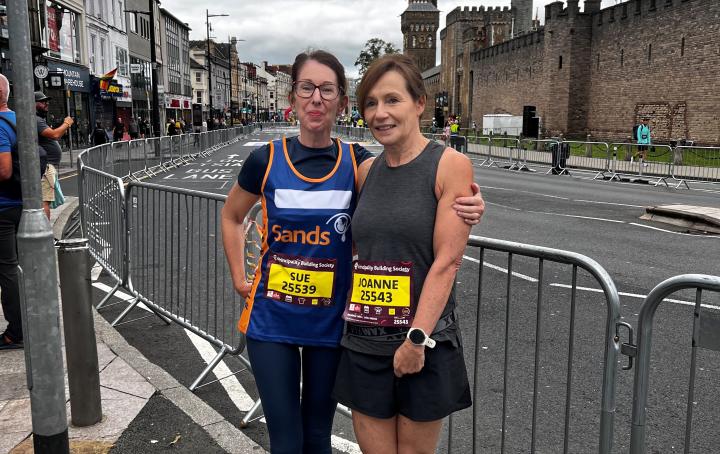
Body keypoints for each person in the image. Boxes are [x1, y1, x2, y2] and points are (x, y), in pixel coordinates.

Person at [220, 50, 484, 454]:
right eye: (306, 88)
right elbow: (232, 216)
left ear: (342, 103)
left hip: (334, 324)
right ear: (292, 97)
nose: (316, 98)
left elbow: (412, 192)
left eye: (327, 89)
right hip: (281, 321)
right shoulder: (272, 160)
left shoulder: (357, 164)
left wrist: (470, 203)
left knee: (317, 438)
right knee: (286, 444)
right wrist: (240, 277)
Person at [332, 54, 474, 454]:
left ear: (419, 103)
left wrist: (416, 340)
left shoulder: (450, 166)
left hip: (421, 342)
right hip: (364, 340)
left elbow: (447, 263)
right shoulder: (366, 172)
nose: (380, 113)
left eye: (392, 100)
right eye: (371, 103)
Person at [0, 76, 45, 349]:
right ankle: (33, 320)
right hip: (23, 203)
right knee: (22, 267)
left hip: (4, 208)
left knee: (7, 270)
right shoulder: (19, 119)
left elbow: (4, 170)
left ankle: (16, 331)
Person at [35, 91, 71, 219]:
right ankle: (46, 236)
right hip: (45, 166)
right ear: (33, 104)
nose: (46, 103)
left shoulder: (40, 120)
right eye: (42, 101)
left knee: (46, 201)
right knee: (44, 201)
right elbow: (55, 135)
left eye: (46, 101)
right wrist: (66, 123)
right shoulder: (37, 120)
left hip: (47, 165)